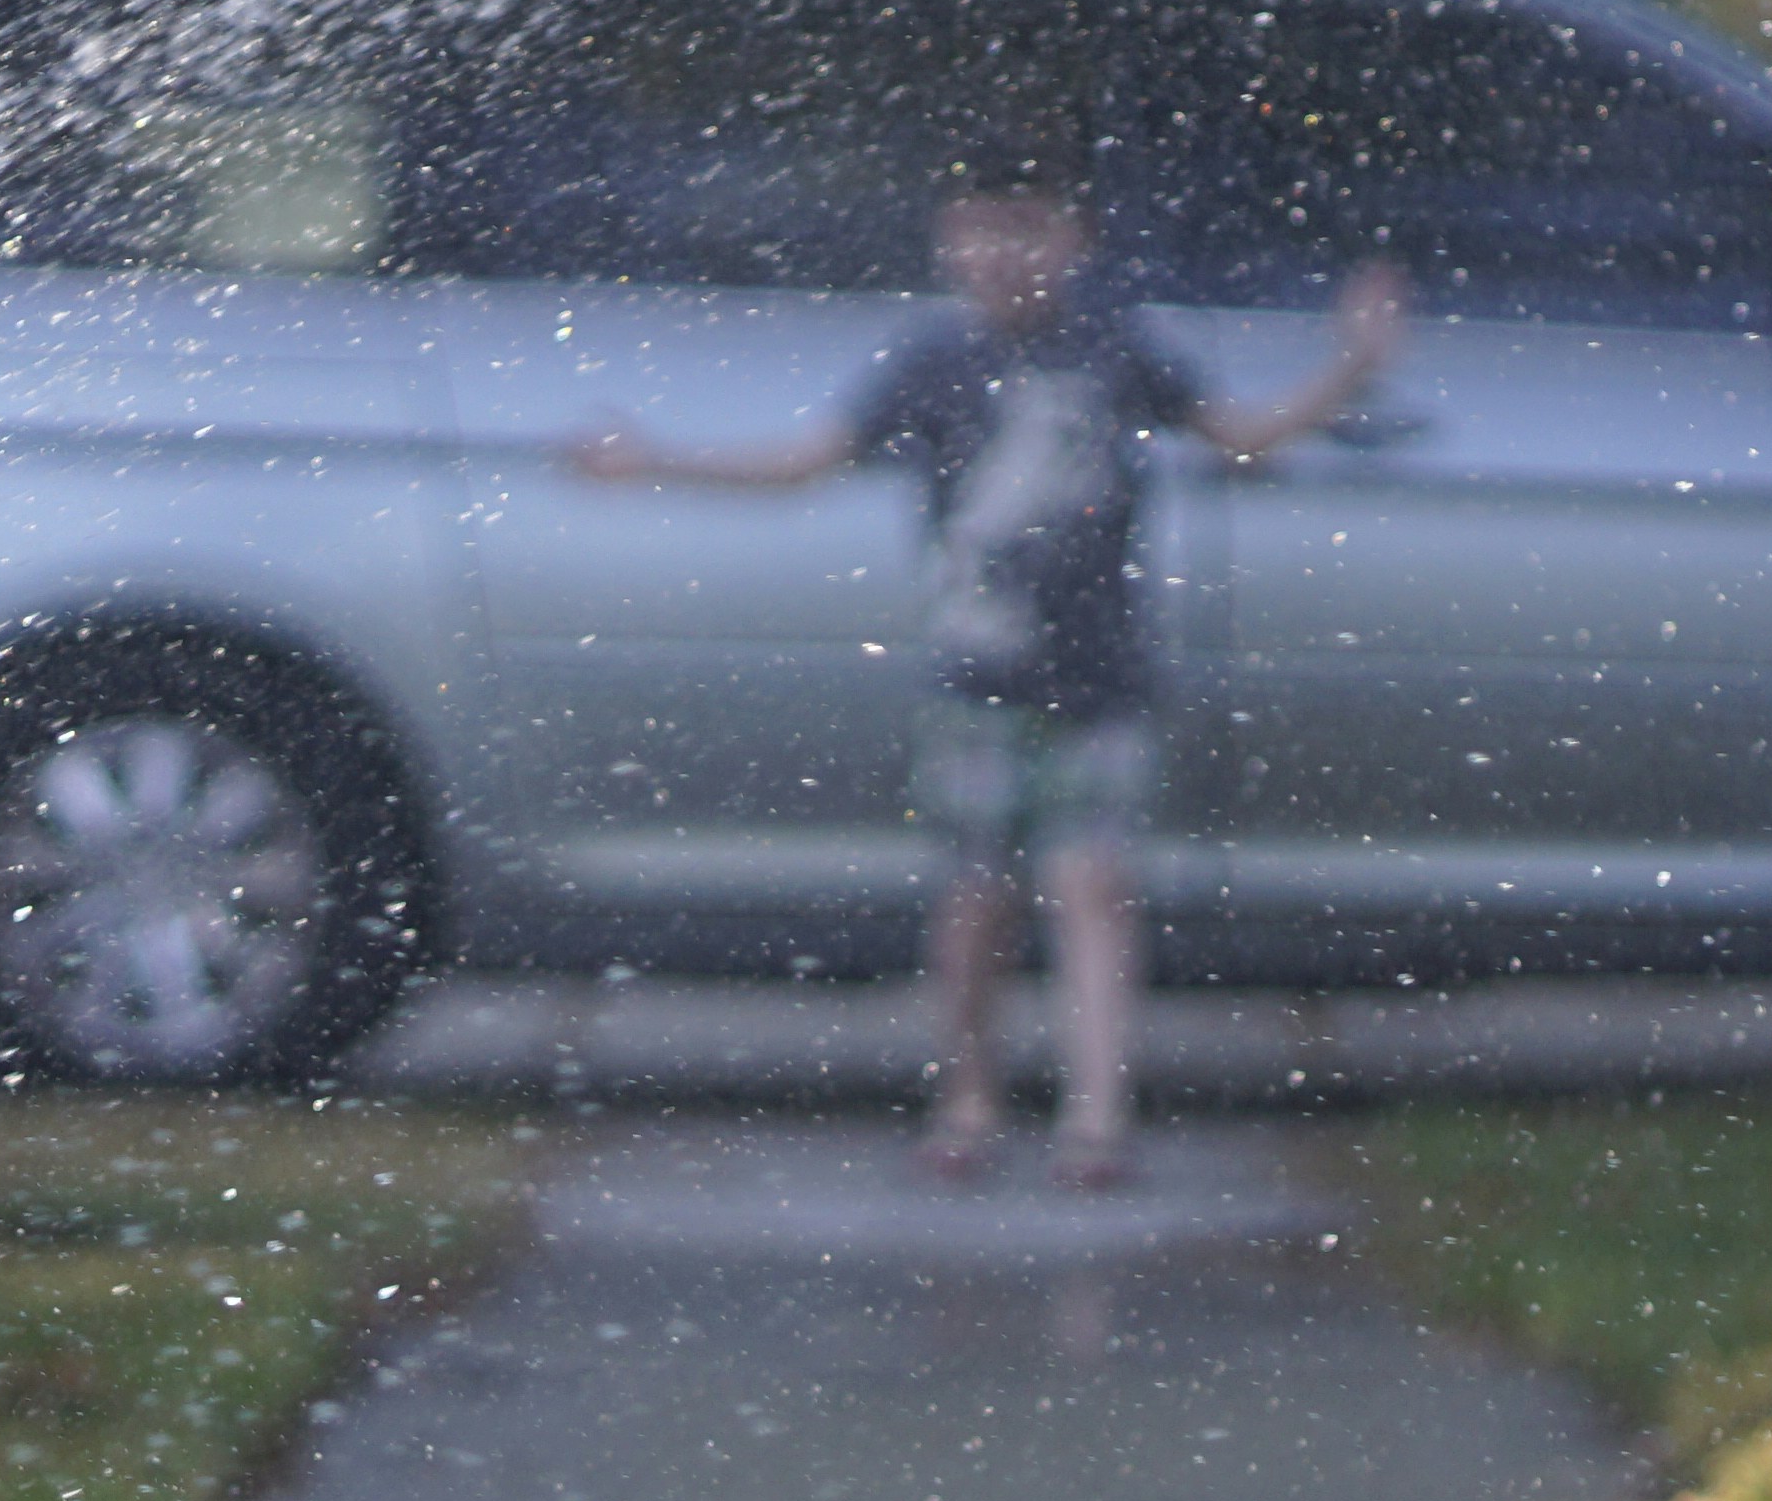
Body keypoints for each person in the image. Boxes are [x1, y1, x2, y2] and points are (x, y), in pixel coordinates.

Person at [570, 160, 1409, 1186]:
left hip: (1101, 679)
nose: (1005, 256)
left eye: (1029, 229)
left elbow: (1237, 437)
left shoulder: (1116, 347)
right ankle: (967, 1093)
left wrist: (1347, 371)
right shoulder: (934, 361)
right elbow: (810, 460)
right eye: (980, 231)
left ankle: (1097, 1116)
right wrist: (660, 461)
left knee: (1093, 885)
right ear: (946, 244)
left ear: (1076, 241)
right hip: (979, 677)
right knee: (977, 900)